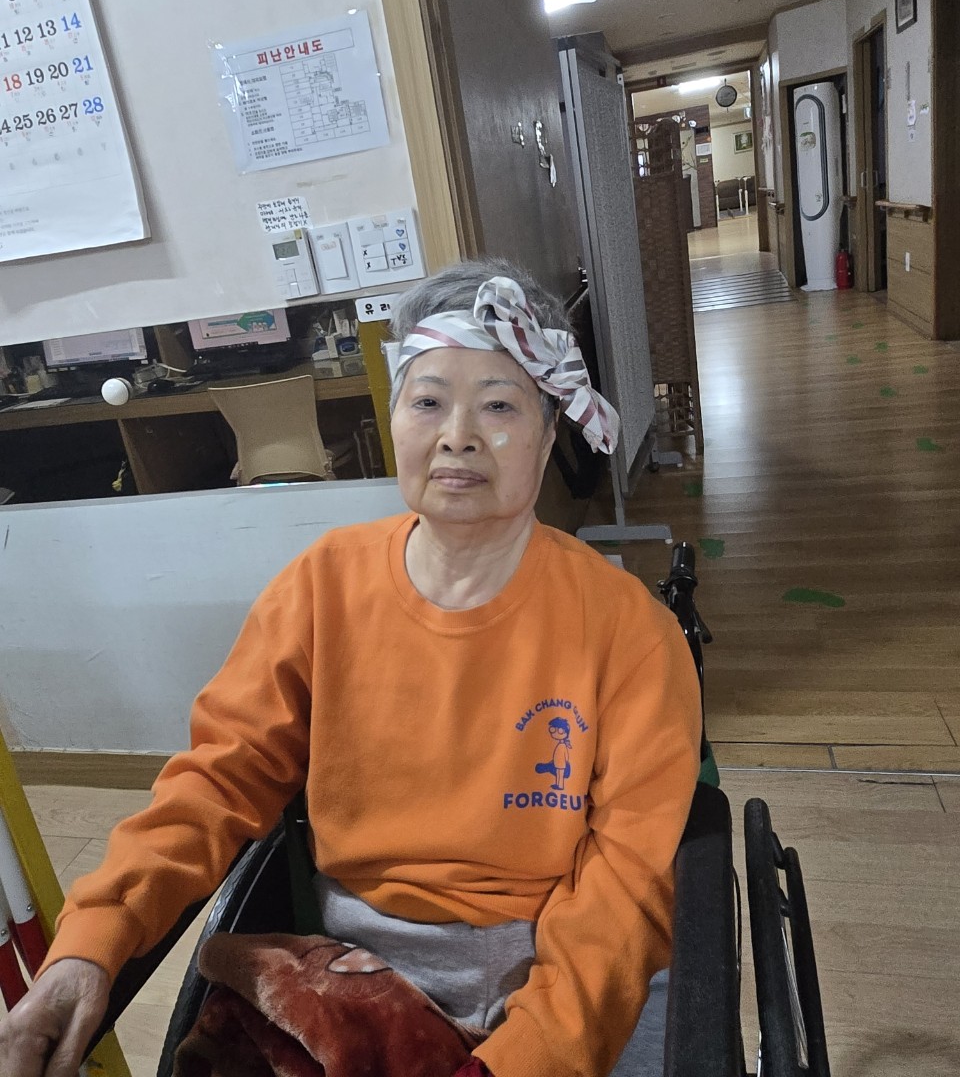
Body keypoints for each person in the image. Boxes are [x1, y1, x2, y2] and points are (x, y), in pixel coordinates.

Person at [0, 259, 701, 1077]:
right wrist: (92, 942)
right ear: (394, 418)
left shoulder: (629, 632)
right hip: (352, 969)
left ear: (550, 436)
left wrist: (520, 1058)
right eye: (428, 401)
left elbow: (627, 880)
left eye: (500, 405)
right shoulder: (322, 585)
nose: (458, 435)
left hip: (556, 974)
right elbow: (216, 782)